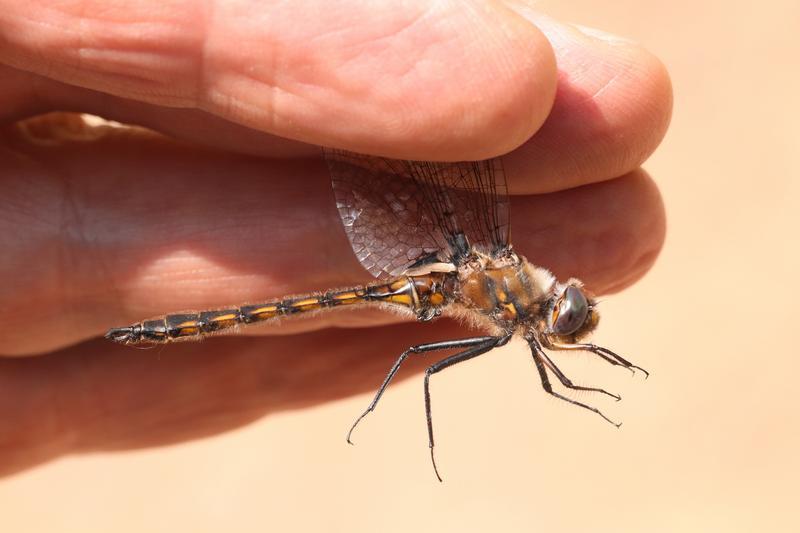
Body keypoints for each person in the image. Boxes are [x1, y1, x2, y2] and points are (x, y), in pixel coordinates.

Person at [0, 1, 670, 476]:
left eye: (571, 313)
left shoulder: (507, 292)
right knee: (421, 357)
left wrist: (605, 381)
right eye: (571, 312)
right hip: (434, 275)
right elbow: (552, 380)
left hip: (438, 272)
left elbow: (557, 381)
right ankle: (169, 328)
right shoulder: (514, 309)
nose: (570, 316)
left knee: (422, 353)